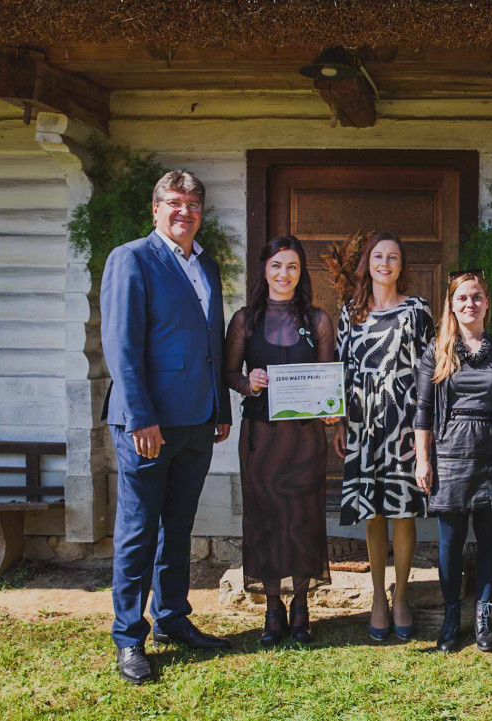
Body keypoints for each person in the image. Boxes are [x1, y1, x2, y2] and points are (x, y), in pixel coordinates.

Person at [100, 170, 232, 685]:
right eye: (174, 203)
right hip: (148, 424)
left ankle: (173, 619)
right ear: (155, 209)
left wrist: (220, 408)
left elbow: (211, 344)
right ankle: (129, 636)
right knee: (137, 531)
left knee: (177, 528)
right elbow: (122, 346)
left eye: (193, 204)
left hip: (198, 420)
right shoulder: (131, 258)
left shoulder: (207, 265)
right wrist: (141, 417)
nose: (185, 212)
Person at [224, 236, 335, 646]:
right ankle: (273, 609)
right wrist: (247, 383)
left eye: (292, 266)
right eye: (276, 265)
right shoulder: (244, 320)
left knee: (303, 517)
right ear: (264, 270)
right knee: (266, 517)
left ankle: (302, 608)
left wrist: (331, 407)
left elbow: (328, 381)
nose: (284, 274)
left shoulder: (318, 320)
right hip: (260, 437)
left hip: (306, 439)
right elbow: (229, 373)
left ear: (300, 272)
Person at [414, 270, 492, 653]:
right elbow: (423, 411)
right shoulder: (437, 350)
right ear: (451, 304)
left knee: (489, 537)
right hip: (449, 454)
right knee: (450, 542)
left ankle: (482, 614)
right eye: (462, 298)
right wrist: (422, 460)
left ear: (487, 303)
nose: (470, 304)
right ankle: (450, 618)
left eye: (477, 296)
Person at [332, 232, 434, 641]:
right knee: (372, 511)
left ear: (401, 266)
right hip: (362, 424)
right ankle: (377, 597)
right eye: (378, 256)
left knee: (403, 510)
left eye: (393, 257)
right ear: (367, 263)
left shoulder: (417, 310)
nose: (385, 263)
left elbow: (431, 371)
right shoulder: (349, 312)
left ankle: (402, 596)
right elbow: (339, 370)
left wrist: (427, 429)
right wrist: (339, 420)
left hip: (404, 423)